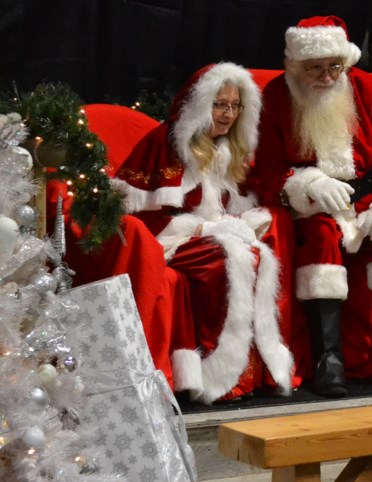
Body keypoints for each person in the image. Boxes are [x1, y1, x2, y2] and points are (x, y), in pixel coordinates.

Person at [249, 15, 372, 397]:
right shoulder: (278, 96)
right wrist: (307, 184)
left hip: (369, 196)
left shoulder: (367, 88)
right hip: (317, 206)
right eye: (315, 68)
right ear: (296, 64)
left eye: (334, 67)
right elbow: (267, 167)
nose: (327, 77)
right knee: (322, 242)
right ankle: (329, 363)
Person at [113, 62, 298, 403]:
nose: (228, 115)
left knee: (257, 253)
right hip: (170, 240)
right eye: (219, 104)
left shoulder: (227, 148)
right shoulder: (168, 144)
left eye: (234, 106)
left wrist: (246, 221)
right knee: (227, 257)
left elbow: (230, 204)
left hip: (209, 234)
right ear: (200, 104)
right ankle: (216, 374)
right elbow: (142, 217)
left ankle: (245, 376)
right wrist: (205, 228)